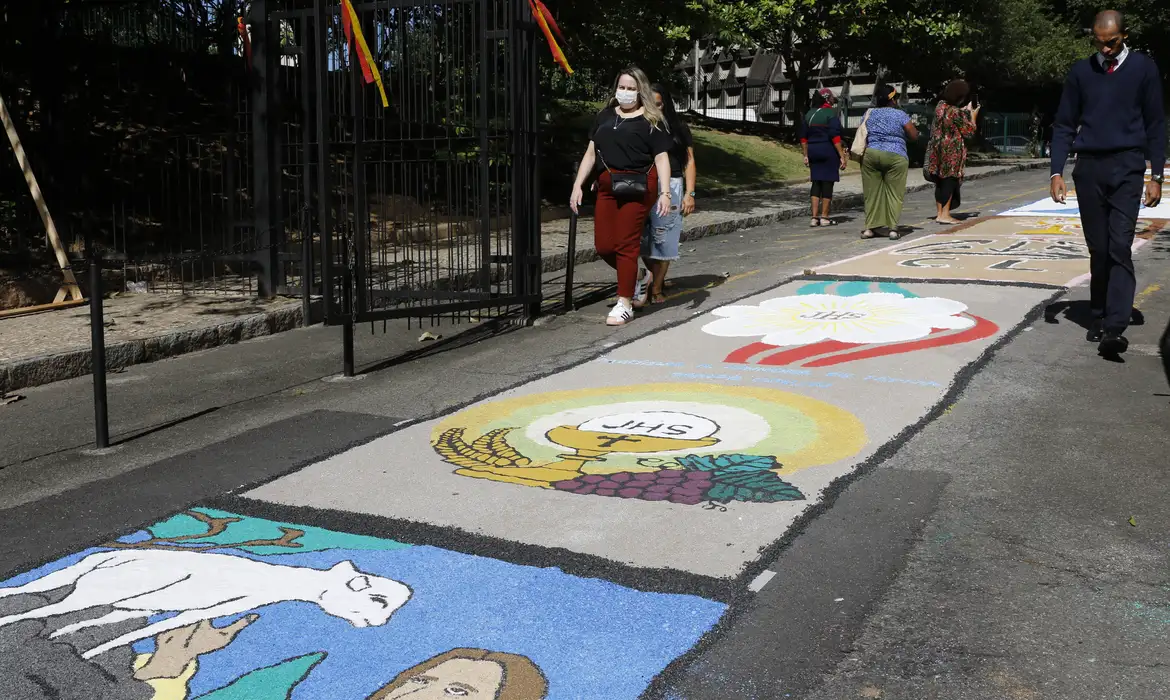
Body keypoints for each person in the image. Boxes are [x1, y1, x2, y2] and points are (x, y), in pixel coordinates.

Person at [1050, 10, 1165, 356]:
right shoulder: (1081, 72)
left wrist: (1156, 175)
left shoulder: (1144, 68)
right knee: (1099, 248)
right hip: (1089, 168)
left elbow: (1156, 123)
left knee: (1119, 246)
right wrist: (1056, 172)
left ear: (1124, 35)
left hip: (1128, 166)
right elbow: (1064, 124)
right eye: (1099, 43)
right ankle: (1098, 313)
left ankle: (1115, 326)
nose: (1106, 49)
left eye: (1112, 42)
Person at [570, 67, 673, 326]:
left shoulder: (652, 120)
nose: (625, 92)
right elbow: (591, 153)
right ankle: (638, 276)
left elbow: (662, 158)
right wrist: (578, 185)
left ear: (640, 91)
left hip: (639, 186)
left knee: (626, 243)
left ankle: (625, 302)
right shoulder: (605, 116)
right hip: (608, 185)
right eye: (622, 87)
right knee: (604, 246)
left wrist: (665, 192)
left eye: (631, 88)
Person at [638, 83, 696, 307]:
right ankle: (653, 276)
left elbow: (689, 161)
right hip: (644, 186)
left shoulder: (678, 128)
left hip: (672, 185)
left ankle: (656, 287)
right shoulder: (640, 125)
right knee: (643, 239)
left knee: (665, 238)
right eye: (650, 104)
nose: (655, 109)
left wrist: (690, 193)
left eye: (659, 104)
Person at [859, 85, 919, 240]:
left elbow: (862, 132)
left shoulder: (869, 113)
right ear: (892, 99)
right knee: (894, 193)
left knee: (871, 193)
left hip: (871, 154)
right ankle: (892, 228)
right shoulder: (900, 115)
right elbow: (913, 135)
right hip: (895, 155)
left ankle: (870, 228)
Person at [924, 79, 979, 225]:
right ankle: (945, 214)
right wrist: (973, 116)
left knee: (939, 180)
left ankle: (939, 213)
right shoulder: (955, 112)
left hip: (937, 148)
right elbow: (969, 132)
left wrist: (963, 112)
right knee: (950, 180)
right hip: (952, 150)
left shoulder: (940, 106)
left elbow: (948, 119)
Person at [800, 87, 848, 227]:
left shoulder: (809, 114)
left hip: (813, 151)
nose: (834, 99)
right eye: (832, 97)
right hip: (828, 151)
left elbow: (803, 137)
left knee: (816, 182)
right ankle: (825, 217)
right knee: (827, 182)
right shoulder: (830, 113)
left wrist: (805, 154)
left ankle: (814, 218)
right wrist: (842, 156)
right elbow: (835, 136)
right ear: (827, 99)